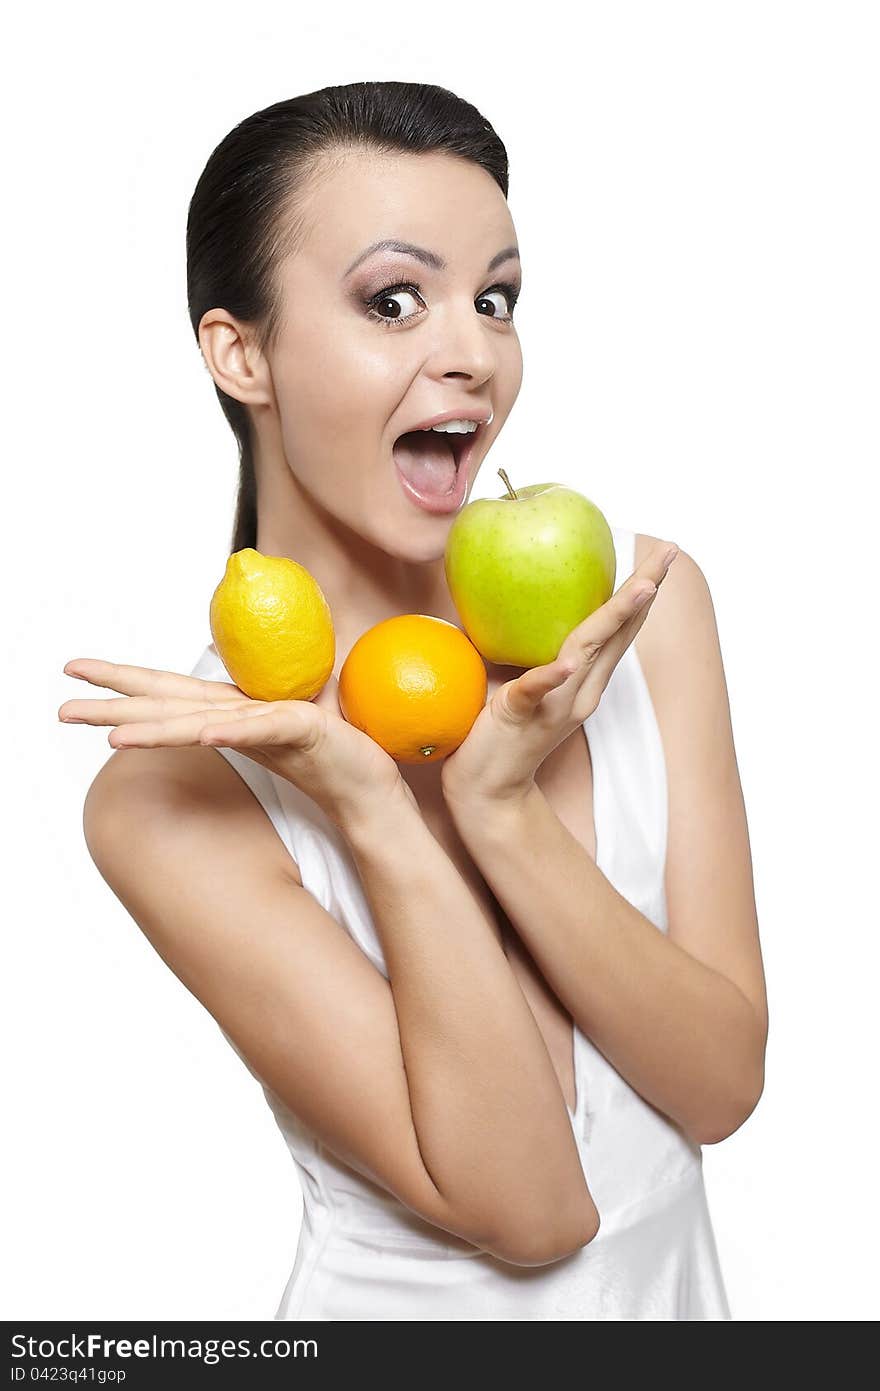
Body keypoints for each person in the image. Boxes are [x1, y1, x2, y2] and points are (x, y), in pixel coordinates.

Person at [58, 81, 767, 1320]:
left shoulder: (643, 614)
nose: (473, 353)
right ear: (242, 352)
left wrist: (500, 809)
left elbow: (718, 1086)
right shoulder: (172, 788)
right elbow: (534, 1210)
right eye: (394, 300)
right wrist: (374, 808)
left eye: (495, 298)